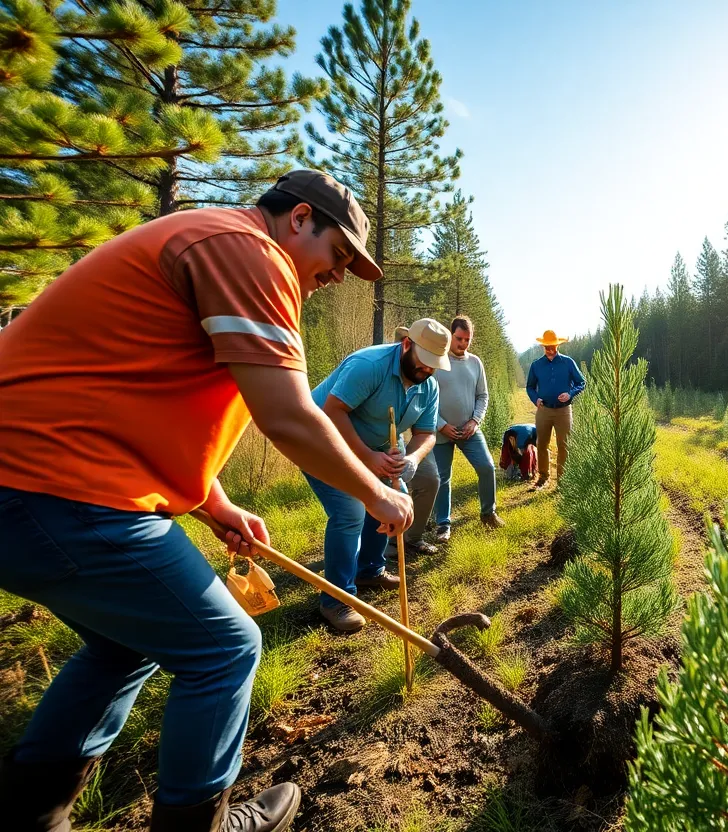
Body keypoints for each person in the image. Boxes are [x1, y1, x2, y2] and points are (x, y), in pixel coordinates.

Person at [0, 169, 413, 832]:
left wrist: (213, 502)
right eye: (338, 255)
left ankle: (30, 812)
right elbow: (289, 415)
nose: (337, 276)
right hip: (52, 486)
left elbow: (140, 403)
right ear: (299, 218)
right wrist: (375, 494)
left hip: (38, 485)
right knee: (225, 647)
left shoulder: (212, 243)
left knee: (123, 644)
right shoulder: (251, 252)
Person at [306, 318, 449, 632]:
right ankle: (337, 601)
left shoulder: (429, 386)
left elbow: (425, 433)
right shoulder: (369, 365)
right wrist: (367, 458)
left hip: (376, 446)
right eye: (423, 362)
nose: (427, 370)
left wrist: (410, 459)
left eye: (434, 365)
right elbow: (332, 412)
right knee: (351, 512)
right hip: (320, 439)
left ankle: (369, 569)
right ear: (407, 345)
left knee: (392, 502)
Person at [430, 315, 504, 543]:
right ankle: (443, 523)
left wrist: (475, 420)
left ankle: (488, 513)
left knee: (486, 466)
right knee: (442, 478)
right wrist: (441, 425)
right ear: (451, 335)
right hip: (441, 431)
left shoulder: (475, 363)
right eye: (459, 338)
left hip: (469, 429)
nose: (462, 344)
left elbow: (483, 395)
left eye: (467, 340)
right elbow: (425, 400)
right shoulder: (436, 361)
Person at [525, 330, 586, 489]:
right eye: (546, 346)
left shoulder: (568, 362)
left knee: (564, 445)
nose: (549, 349)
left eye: (552, 346)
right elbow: (530, 387)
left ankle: (562, 481)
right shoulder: (536, 365)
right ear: (543, 346)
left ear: (557, 345)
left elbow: (581, 383)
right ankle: (543, 477)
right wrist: (535, 399)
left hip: (564, 411)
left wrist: (570, 393)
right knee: (542, 444)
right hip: (544, 410)